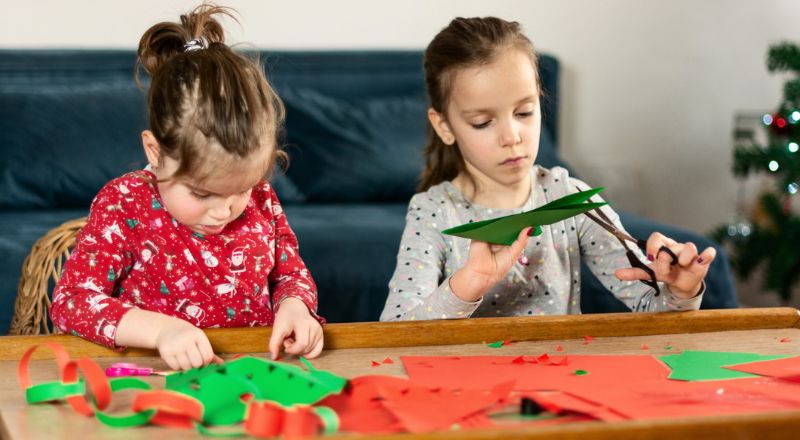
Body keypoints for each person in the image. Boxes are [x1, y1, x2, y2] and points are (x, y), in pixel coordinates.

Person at [380, 17, 716, 321]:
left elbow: (654, 309)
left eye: (525, 112)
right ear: (445, 127)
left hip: (555, 384)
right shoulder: (434, 212)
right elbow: (394, 334)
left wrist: (681, 291)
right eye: (482, 122)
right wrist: (467, 286)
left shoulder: (568, 198)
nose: (512, 137)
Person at [50, 4, 324, 370]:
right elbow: (71, 301)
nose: (223, 210)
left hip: (252, 379)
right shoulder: (125, 203)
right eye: (202, 193)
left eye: (240, 189)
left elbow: (289, 273)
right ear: (155, 152)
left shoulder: (261, 196)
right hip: (158, 384)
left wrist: (295, 308)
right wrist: (161, 331)